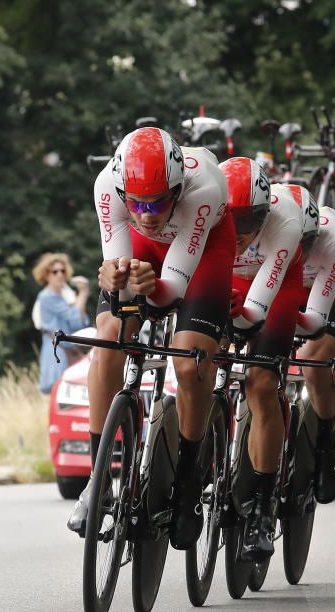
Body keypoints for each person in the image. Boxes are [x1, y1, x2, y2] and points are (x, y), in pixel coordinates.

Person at [68, 127, 234, 550]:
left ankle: (189, 478)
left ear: (176, 188)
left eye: (158, 200)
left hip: (204, 250)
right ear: (122, 190)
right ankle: (98, 479)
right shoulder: (108, 185)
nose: (146, 211)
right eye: (136, 201)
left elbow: (170, 293)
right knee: (109, 334)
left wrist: (151, 286)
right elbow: (119, 276)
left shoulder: (205, 190)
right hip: (146, 249)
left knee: (189, 358)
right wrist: (115, 278)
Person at [222, 157, 316, 560]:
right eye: (232, 220)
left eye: (250, 221)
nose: (239, 233)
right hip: (227, 281)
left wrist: (244, 319)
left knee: (261, 381)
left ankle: (263, 505)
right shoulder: (204, 214)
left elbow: (263, 299)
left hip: (276, 291)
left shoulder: (286, 219)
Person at [293, 197, 335, 503]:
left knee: (312, 360)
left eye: (305, 242)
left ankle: (328, 440)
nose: (299, 250)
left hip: (331, 290)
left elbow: (315, 321)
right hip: (287, 283)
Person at [32, 252, 90, 394]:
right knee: (56, 390)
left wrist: (79, 297)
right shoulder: (47, 297)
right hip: (56, 350)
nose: (60, 275)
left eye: (62, 271)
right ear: (46, 275)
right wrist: (83, 294)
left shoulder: (66, 295)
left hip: (70, 350)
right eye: (55, 271)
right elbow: (76, 317)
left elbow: (80, 325)